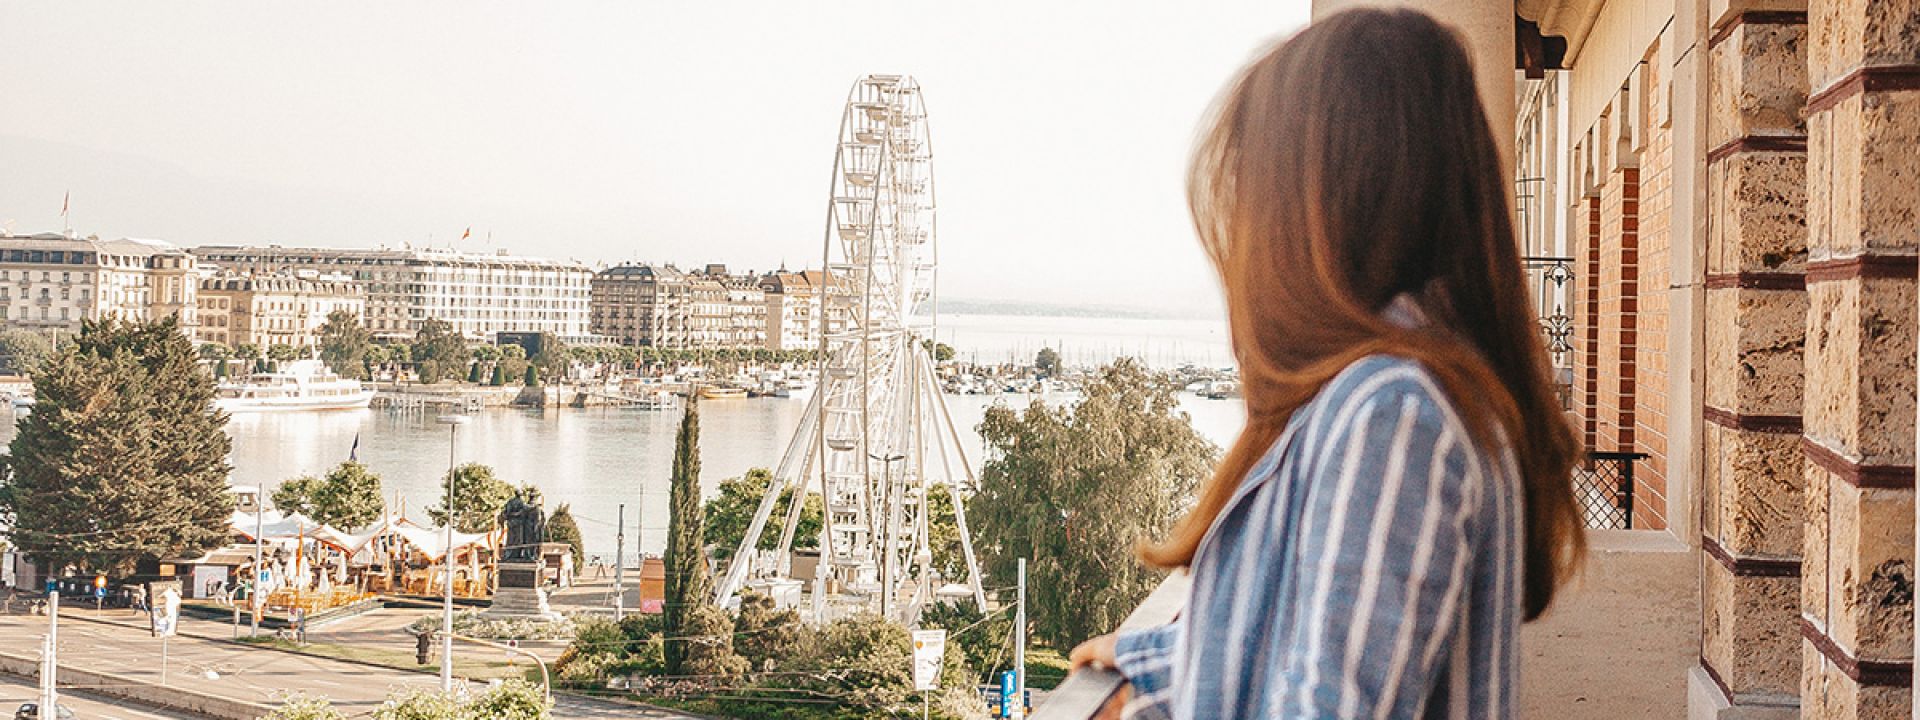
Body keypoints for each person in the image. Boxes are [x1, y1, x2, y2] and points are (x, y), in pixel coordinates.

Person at [1068, 8, 1583, 720]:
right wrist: (1149, 660)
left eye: (1257, 196)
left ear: (1318, 208)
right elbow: (1310, 640)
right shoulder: (1399, 394)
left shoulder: (1396, 414)